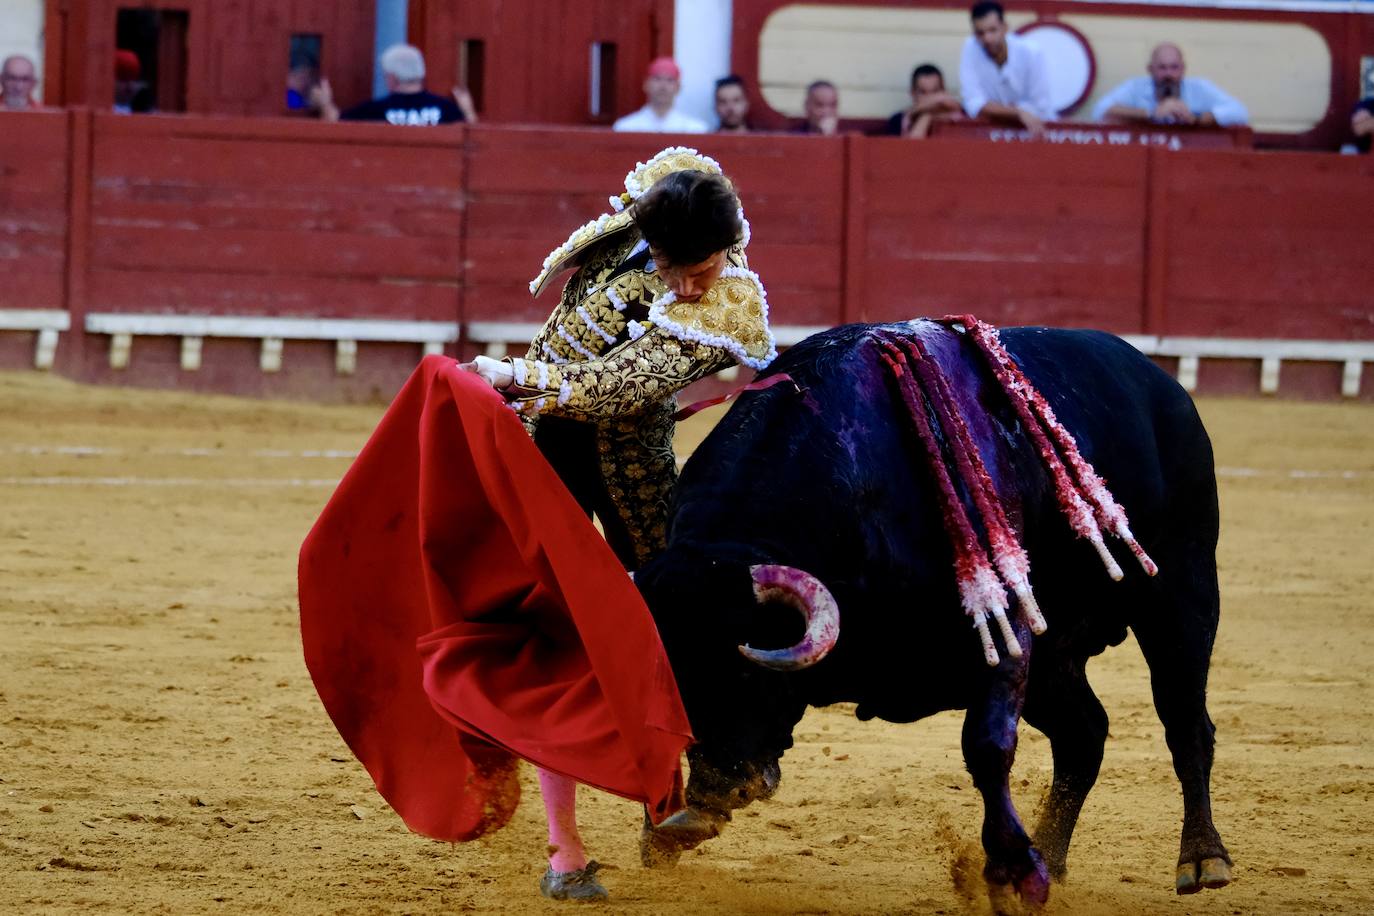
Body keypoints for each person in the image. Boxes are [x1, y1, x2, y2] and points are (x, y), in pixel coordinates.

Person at [460, 147, 776, 899]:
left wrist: (516, 377)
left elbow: (613, 388)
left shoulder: (731, 304)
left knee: (671, 623)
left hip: (626, 468)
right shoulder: (648, 209)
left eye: (698, 269)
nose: (686, 285)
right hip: (542, 453)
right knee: (555, 632)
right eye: (674, 268)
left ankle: (683, 790)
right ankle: (564, 850)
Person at [314, 43, 476, 125]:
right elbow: (473, 135)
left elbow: (335, 125)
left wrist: (325, 102)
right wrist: (467, 109)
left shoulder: (375, 110)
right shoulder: (446, 109)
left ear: (392, 78)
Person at [1091, 43, 1248, 127]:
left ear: (1183, 69)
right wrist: (1151, 114)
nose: (1168, 74)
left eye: (1174, 68)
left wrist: (1196, 118)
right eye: (1162, 68)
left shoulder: (1199, 87)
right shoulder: (1136, 87)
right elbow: (1099, 111)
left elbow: (1240, 112)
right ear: (1150, 69)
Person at [959, 1, 1055, 137]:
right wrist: (1018, 112)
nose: (987, 38)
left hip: (1035, 134)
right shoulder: (970, 47)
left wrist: (997, 110)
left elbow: (1041, 107)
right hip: (991, 134)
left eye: (992, 30)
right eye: (980, 33)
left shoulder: (1031, 53)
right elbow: (973, 103)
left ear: (1005, 28)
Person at [612, 57, 707, 133]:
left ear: (678, 87)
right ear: (646, 84)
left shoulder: (694, 129)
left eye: (670, 80)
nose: (663, 86)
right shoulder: (625, 128)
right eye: (657, 79)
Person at [884, 64, 964, 138]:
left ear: (944, 91)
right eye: (923, 92)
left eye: (935, 91)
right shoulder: (897, 120)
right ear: (913, 94)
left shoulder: (959, 113)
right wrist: (925, 116)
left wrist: (917, 111)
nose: (930, 98)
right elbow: (910, 149)